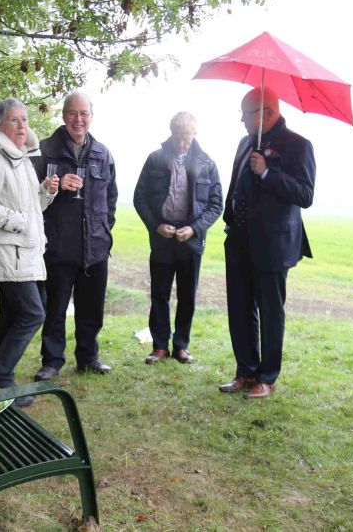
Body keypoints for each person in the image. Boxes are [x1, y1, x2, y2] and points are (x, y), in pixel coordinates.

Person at [219, 87, 316, 399]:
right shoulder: (244, 143)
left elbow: (305, 195)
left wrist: (267, 173)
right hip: (238, 239)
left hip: (273, 245)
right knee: (239, 307)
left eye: (246, 114)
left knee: (271, 312)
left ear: (267, 113)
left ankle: (267, 377)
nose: (241, 120)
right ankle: (246, 371)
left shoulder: (298, 145)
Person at [0, 98, 59, 407]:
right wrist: (18, 221)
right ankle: (2, 378)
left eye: (25, 119)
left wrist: (46, 192)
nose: (22, 126)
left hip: (24, 250)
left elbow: (32, 207)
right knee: (33, 313)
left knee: (11, 313)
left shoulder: (19, 157)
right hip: (8, 251)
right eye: (14, 120)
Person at [33, 92, 118, 380]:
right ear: (63, 115)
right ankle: (52, 362)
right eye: (72, 113)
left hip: (95, 247)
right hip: (57, 246)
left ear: (91, 117)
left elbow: (111, 198)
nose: (78, 119)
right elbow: (30, 196)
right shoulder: (44, 151)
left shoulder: (103, 153)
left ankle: (88, 357)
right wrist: (55, 188)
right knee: (55, 309)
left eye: (84, 113)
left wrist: (104, 229)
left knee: (91, 308)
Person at [133, 112, 223, 365]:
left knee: (187, 296)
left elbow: (216, 204)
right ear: (171, 133)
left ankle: (181, 346)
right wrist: (156, 226)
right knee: (159, 294)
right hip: (162, 238)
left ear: (195, 134)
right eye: (178, 137)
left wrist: (194, 229)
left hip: (191, 241)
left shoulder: (207, 163)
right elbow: (140, 197)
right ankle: (160, 346)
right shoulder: (155, 159)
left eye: (187, 137)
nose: (182, 143)